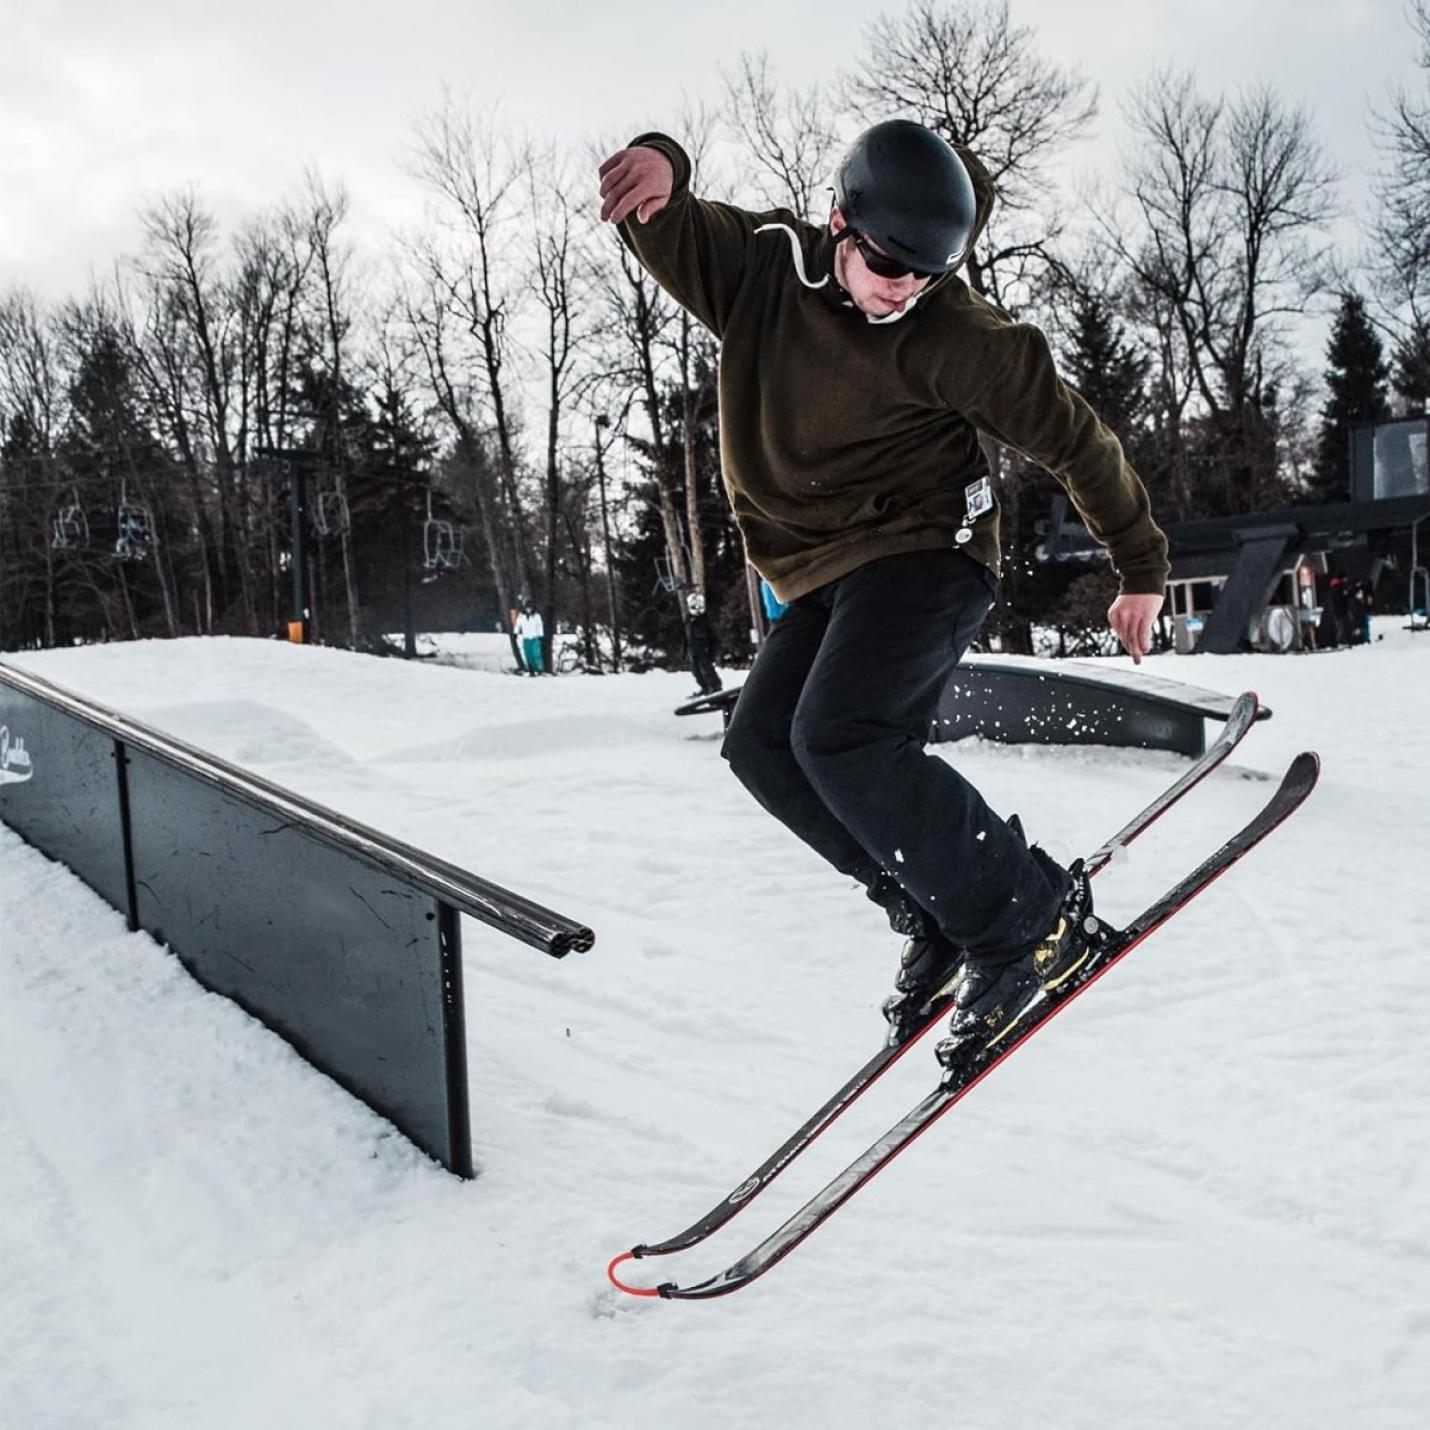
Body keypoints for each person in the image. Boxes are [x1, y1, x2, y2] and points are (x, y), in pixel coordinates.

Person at [599, 120, 1168, 1066]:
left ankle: (1023, 916)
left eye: (924, 275)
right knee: (763, 745)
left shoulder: (962, 337)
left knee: (845, 736)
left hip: (928, 550)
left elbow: (1074, 438)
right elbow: (675, 219)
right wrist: (664, 167)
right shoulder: (766, 269)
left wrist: (1140, 567)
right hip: (819, 568)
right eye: (884, 266)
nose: (900, 290)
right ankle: (931, 908)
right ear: (838, 225)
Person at [686, 590, 723, 696]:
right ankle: (705, 687)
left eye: (699, 606)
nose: (697, 609)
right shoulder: (689, 620)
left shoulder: (705, 620)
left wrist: (714, 651)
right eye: (694, 607)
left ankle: (715, 686)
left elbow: (714, 637)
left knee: (707, 668)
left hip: (705, 648)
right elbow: (688, 635)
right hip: (694, 649)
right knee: (696, 670)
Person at [516, 603, 545, 676]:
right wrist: (515, 632)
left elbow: (539, 626)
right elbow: (518, 625)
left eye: (530, 608)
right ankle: (531, 669)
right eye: (527, 608)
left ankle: (539, 669)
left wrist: (541, 635)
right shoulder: (521, 616)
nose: (528, 610)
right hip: (526, 638)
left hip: (534, 637)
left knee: (536, 654)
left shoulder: (536, 616)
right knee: (528, 654)